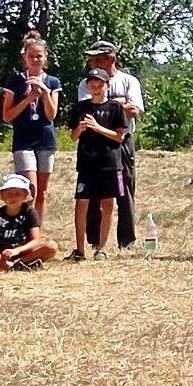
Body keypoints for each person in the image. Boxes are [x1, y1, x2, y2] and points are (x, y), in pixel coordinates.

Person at [79, 40, 144, 250]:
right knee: (92, 193)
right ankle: (95, 240)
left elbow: (134, 110)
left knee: (124, 189)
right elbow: (87, 110)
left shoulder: (128, 81)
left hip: (121, 142)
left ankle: (127, 240)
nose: (93, 64)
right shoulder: (85, 83)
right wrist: (119, 104)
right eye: (91, 60)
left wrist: (107, 107)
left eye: (98, 59)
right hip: (93, 144)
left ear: (111, 59)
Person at [66, 67, 128, 262]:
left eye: (99, 84)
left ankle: (101, 248)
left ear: (107, 85)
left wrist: (98, 128)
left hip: (109, 162)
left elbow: (120, 137)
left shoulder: (115, 108)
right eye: (92, 84)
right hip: (86, 162)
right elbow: (73, 136)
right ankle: (79, 249)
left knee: (107, 204)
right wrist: (80, 128)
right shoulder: (81, 107)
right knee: (81, 203)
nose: (95, 87)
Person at [0, 30, 62, 222]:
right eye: (31, 56)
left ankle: (37, 232)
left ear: (45, 57)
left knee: (42, 192)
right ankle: (25, 230)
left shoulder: (52, 82)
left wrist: (44, 93)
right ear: (24, 57)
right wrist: (28, 99)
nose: (35, 59)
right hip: (23, 141)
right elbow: (7, 116)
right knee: (30, 191)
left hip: (46, 141)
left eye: (39, 56)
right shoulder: (15, 81)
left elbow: (51, 115)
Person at [0, 173, 58, 271]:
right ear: (2, 195)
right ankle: (5, 264)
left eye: (17, 194)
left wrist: (17, 251)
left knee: (51, 246)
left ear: (25, 196)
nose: (13, 197)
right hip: (3, 254)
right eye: (9, 194)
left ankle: (16, 264)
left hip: (24, 252)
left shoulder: (29, 212)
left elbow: (35, 240)